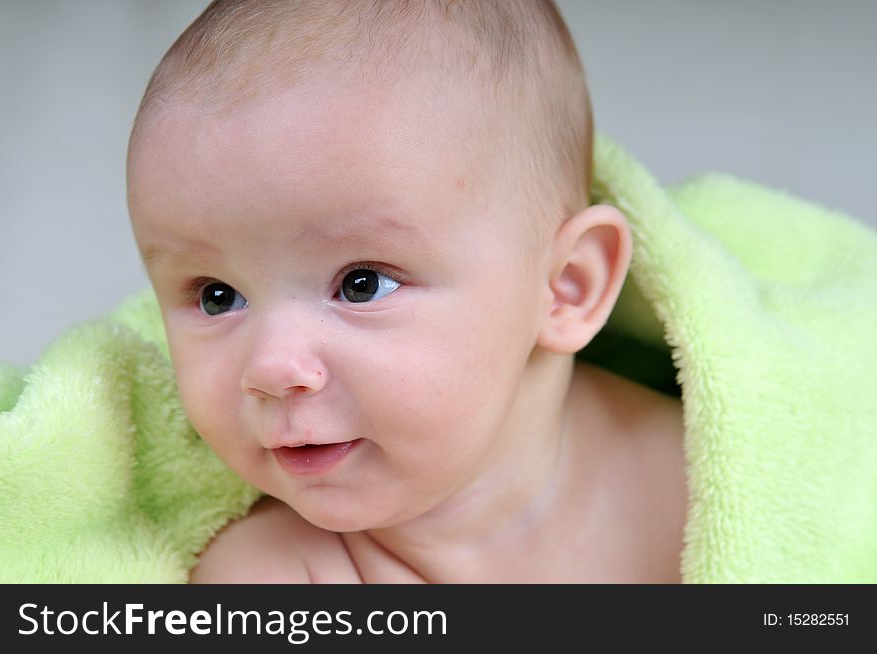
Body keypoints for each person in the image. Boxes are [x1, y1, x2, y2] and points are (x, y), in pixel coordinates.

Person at [126, 0, 688, 583]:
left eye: (360, 284)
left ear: (567, 286)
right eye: (217, 295)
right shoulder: (278, 573)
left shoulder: (695, 482)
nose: (269, 367)